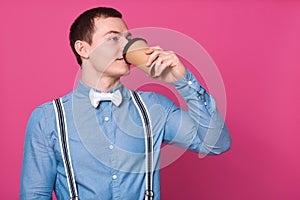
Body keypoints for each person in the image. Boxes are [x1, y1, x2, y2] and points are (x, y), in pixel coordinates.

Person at [20, 7, 231, 200]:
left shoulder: (155, 108)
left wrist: (183, 80)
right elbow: (35, 195)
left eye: (128, 38)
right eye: (113, 39)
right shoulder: (48, 119)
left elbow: (215, 144)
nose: (125, 46)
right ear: (83, 49)